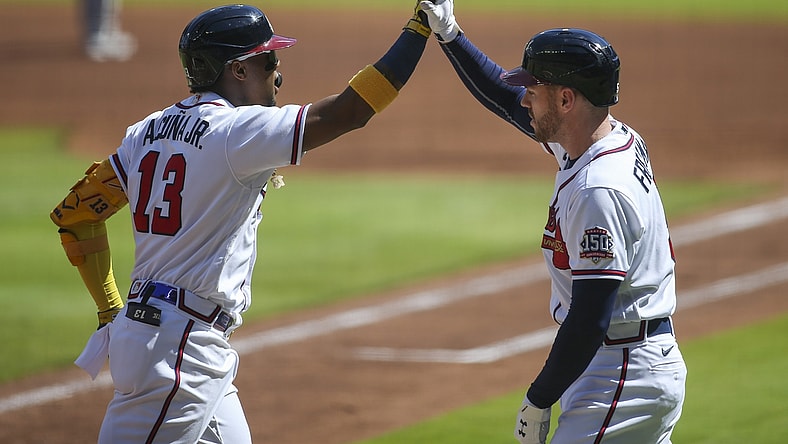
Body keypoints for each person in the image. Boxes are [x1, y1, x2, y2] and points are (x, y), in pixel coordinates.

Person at [50, 3, 432, 443]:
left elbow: (77, 216)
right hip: (177, 353)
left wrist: (109, 309)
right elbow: (348, 112)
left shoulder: (146, 131)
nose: (278, 74)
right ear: (237, 70)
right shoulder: (236, 131)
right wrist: (419, 29)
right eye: (268, 60)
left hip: (173, 339)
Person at [417, 1, 687, 443]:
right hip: (626, 362)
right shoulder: (602, 138)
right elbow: (507, 99)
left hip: (622, 374)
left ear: (566, 99)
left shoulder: (598, 189)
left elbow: (589, 318)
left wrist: (538, 399)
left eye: (534, 88)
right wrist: (451, 35)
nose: (525, 96)